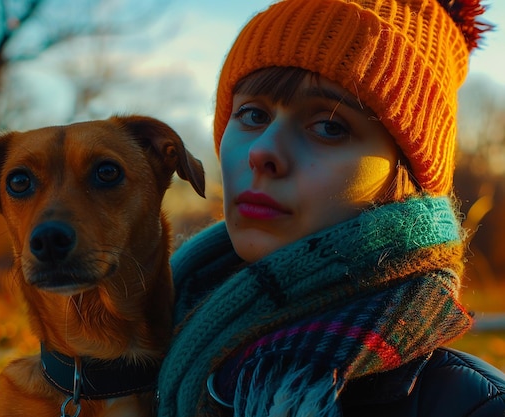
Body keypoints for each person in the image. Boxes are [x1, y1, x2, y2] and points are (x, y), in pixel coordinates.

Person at [156, 0, 505, 416]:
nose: (263, 150)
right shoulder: (142, 345)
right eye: (252, 114)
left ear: (405, 176)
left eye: (329, 126)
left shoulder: (471, 406)